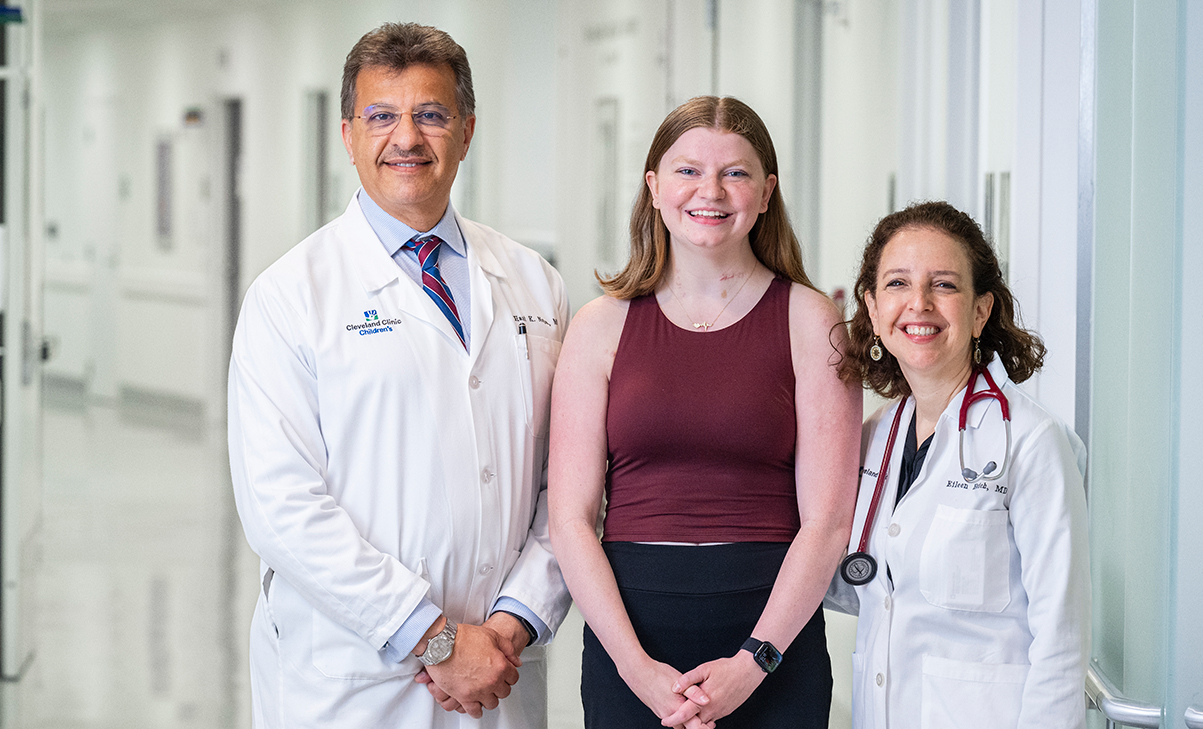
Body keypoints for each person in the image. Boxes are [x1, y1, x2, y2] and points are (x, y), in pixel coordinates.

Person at [228, 22, 570, 729]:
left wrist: (511, 624)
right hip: (352, 681)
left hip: (501, 673)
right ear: (349, 133)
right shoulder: (289, 296)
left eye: (432, 114)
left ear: (467, 130)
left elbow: (566, 487)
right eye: (382, 116)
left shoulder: (535, 284)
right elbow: (282, 507)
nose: (406, 138)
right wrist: (435, 637)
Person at [547, 96, 861, 729]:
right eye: (687, 170)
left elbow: (826, 522)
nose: (710, 191)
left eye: (736, 173)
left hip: (772, 635)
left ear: (767, 192)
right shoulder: (599, 326)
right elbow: (570, 520)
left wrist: (753, 662)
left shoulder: (810, 320)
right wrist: (637, 670)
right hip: (630, 639)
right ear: (654, 188)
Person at [825, 201, 1090, 728]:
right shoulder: (873, 437)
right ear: (874, 310)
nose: (918, 304)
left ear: (980, 311)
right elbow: (857, 584)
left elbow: (1061, 638)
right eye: (897, 284)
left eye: (943, 285)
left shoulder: (1031, 442)